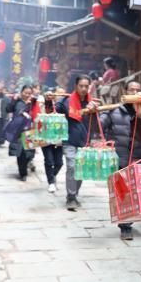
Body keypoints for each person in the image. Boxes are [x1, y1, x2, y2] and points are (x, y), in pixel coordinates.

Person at [100, 80, 141, 240]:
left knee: (136, 193)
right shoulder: (114, 112)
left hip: (138, 157)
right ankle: (125, 226)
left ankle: (129, 221)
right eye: (131, 90)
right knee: (124, 194)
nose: (135, 93)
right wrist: (94, 115)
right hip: (120, 159)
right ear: (125, 91)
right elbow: (99, 127)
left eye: (138, 90)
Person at [51, 75, 99, 211]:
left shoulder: (92, 103)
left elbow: (97, 124)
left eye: (86, 86)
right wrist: (49, 100)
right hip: (69, 140)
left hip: (85, 142)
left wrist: (94, 112)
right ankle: (71, 197)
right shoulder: (66, 101)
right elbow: (53, 110)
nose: (84, 89)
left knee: (81, 170)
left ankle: (74, 193)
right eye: (81, 86)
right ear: (76, 86)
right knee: (72, 166)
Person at [6, 85, 37, 181]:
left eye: (29, 93)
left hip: (30, 131)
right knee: (20, 153)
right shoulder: (17, 102)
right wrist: (13, 100)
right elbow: (8, 109)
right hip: (18, 131)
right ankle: (23, 173)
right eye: (25, 93)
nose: (27, 95)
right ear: (21, 92)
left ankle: (26, 164)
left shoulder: (34, 102)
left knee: (30, 154)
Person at [41, 87, 65, 193]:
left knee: (59, 163)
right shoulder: (49, 105)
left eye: (63, 94)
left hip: (59, 140)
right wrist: (47, 99)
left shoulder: (64, 106)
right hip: (46, 138)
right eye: (58, 94)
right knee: (49, 160)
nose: (60, 96)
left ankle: (52, 175)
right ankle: (51, 182)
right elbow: (45, 108)